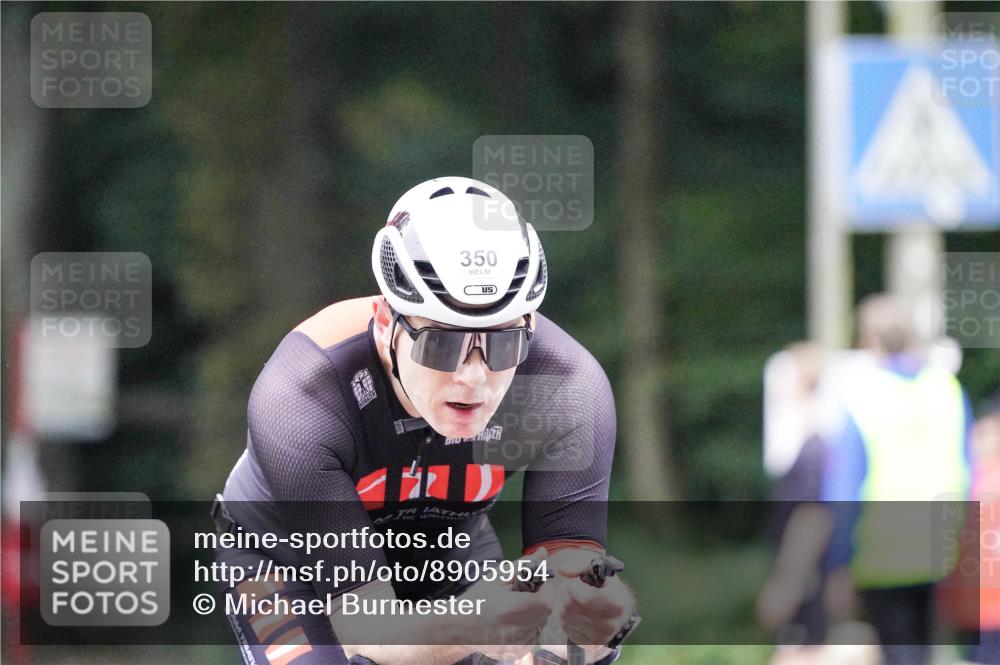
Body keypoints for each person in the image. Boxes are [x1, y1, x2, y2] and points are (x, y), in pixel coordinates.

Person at [214, 177, 637, 665]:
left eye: (502, 343)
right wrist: (487, 626)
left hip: (448, 548)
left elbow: (570, 584)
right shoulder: (303, 395)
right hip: (287, 561)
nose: (473, 378)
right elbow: (368, 633)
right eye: (442, 344)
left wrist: (577, 633)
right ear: (384, 321)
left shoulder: (566, 387)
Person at [818, 294, 974, 665]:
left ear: (869, 339)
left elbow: (843, 488)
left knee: (898, 650)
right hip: (941, 546)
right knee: (925, 648)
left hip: (881, 550)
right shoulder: (946, 387)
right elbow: (968, 469)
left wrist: (836, 562)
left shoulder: (860, 394)